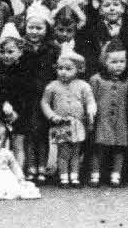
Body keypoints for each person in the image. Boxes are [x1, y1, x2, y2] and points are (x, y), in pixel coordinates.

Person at [41, 50, 96, 188]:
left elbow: (90, 100)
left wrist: (90, 110)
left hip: (78, 123)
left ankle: (75, 176)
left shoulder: (83, 85)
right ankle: (63, 176)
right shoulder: (52, 86)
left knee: (76, 151)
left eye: (68, 69)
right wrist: (52, 116)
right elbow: (45, 102)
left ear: (78, 69)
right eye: (60, 68)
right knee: (63, 151)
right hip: (61, 123)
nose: (63, 72)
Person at [18, 2, 58, 183]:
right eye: (31, 27)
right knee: (28, 133)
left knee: (42, 133)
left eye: (39, 28)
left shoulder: (52, 49)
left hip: (44, 95)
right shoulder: (20, 47)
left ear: (46, 29)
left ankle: (42, 165)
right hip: (26, 96)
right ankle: (30, 165)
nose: (34, 32)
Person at [0, 23, 31, 167]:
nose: (6, 55)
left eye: (10, 52)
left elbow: (25, 91)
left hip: (19, 112)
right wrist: (1, 104)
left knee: (18, 144)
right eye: (2, 51)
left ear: (20, 52)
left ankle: (18, 174)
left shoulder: (24, 70)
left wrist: (16, 110)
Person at [89, 41, 128, 187]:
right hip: (102, 120)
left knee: (119, 148)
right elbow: (91, 100)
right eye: (114, 62)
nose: (119, 65)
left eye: (122, 61)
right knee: (99, 147)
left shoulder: (127, 81)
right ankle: (95, 174)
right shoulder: (97, 80)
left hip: (120, 120)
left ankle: (116, 175)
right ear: (104, 61)